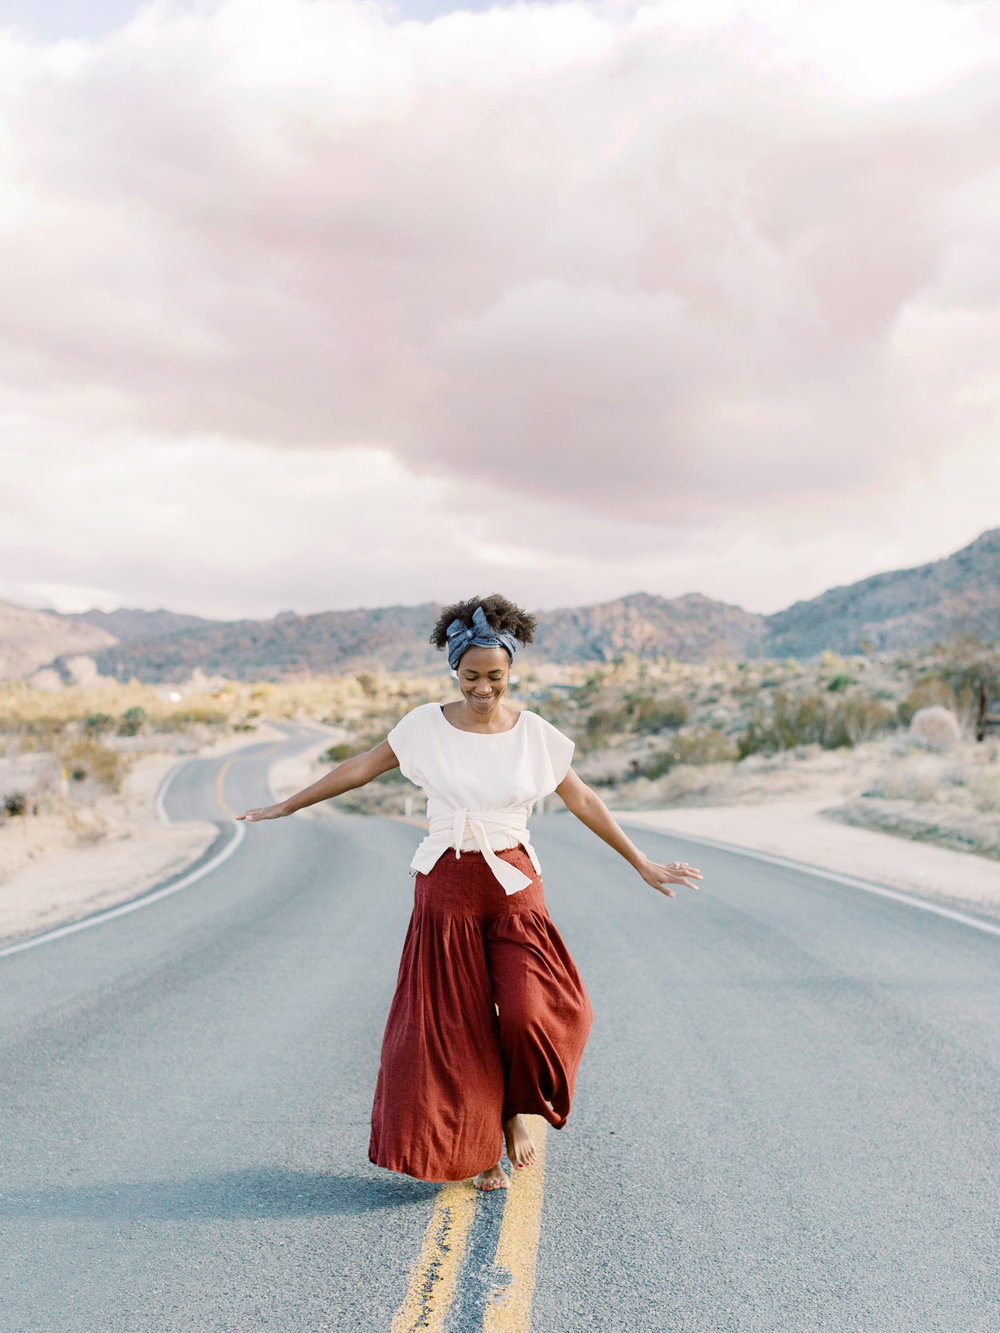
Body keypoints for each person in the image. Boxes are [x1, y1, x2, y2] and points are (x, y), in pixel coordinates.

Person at [236, 595, 702, 1192]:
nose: (484, 689)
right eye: (472, 677)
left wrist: (641, 862)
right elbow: (359, 767)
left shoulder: (535, 734)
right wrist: (286, 805)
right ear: (455, 671)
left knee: (540, 1011)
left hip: (514, 884)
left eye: (496, 678)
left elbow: (581, 799)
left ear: (512, 672)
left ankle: (513, 1109)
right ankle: (489, 1143)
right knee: (458, 1024)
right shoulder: (424, 726)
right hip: (446, 882)